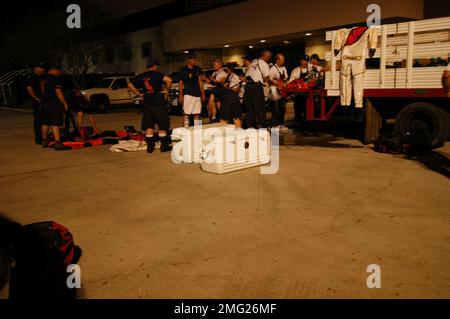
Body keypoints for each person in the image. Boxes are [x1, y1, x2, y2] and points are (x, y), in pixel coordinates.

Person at [128, 58, 173, 153]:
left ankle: (150, 147)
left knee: (149, 125)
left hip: (147, 103)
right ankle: (164, 146)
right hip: (159, 102)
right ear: (154, 66)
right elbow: (169, 80)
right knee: (162, 125)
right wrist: (167, 91)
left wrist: (139, 94)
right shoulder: (158, 74)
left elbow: (130, 85)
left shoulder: (141, 76)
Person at [40, 66, 72, 150]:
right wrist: (64, 103)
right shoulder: (55, 79)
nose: (59, 74)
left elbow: (43, 90)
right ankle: (58, 143)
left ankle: (44, 141)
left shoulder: (44, 80)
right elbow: (58, 91)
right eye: (59, 72)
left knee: (45, 122)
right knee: (55, 123)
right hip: (54, 103)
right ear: (53, 71)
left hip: (44, 102)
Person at [243, 50, 271, 128]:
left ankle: (249, 127)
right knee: (259, 107)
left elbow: (249, 77)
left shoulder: (252, 63)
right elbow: (267, 78)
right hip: (256, 87)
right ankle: (263, 126)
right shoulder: (263, 63)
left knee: (249, 108)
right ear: (266, 56)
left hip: (248, 87)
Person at [178, 53, 205, 128]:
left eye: (195, 60)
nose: (194, 61)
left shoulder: (198, 69)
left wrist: (202, 93)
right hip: (187, 94)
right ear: (188, 60)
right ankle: (186, 129)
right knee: (187, 114)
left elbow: (200, 81)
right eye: (192, 60)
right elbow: (180, 83)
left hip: (197, 94)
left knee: (197, 113)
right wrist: (180, 95)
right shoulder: (183, 69)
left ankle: (198, 129)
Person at [26, 62, 46, 145]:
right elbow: (29, 88)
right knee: (38, 120)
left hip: (43, 100)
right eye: (42, 68)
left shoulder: (40, 76)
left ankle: (43, 137)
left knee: (43, 119)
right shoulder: (32, 76)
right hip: (37, 102)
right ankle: (38, 139)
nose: (43, 70)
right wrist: (36, 98)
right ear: (36, 68)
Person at [289, 55, 310, 128]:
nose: (306, 62)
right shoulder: (295, 70)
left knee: (307, 113)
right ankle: (297, 127)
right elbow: (290, 82)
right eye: (304, 60)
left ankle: (305, 127)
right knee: (298, 112)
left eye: (307, 61)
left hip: (308, 96)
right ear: (301, 61)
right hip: (298, 95)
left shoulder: (310, 70)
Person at [269, 53, 289, 129]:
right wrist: (277, 83)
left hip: (282, 90)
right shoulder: (272, 69)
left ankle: (281, 124)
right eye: (282, 60)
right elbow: (269, 80)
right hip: (274, 90)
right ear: (277, 60)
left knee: (283, 108)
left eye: (283, 60)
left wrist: (285, 82)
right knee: (276, 109)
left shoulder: (284, 68)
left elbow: (286, 77)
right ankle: (274, 125)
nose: (283, 61)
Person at [220, 63, 242, 128]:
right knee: (235, 116)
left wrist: (227, 87)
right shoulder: (229, 76)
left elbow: (237, 89)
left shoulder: (235, 77)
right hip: (231, 97)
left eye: (227, 69)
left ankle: (225, 132)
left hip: (231, 97)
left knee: (224, 116)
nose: (226, 70)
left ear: (230, 69)